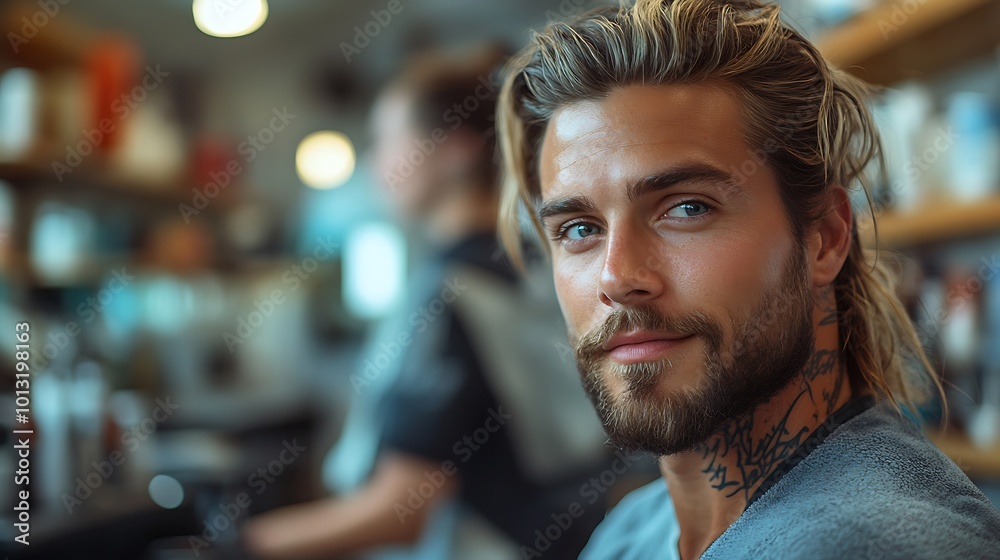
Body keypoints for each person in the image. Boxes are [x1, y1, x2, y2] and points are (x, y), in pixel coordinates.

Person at [494, 0, 1000, 558]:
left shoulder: (869, 544)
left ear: (826, 238)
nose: (615, 277)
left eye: (687, 208)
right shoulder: (632, 529)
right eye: (579, 228)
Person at [243, 47, 610, 559]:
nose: (375, 160)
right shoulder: (545, 265)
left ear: (454, 151)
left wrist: (244, 546)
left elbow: (401, 509)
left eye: (387, 138)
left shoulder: (451, 293)